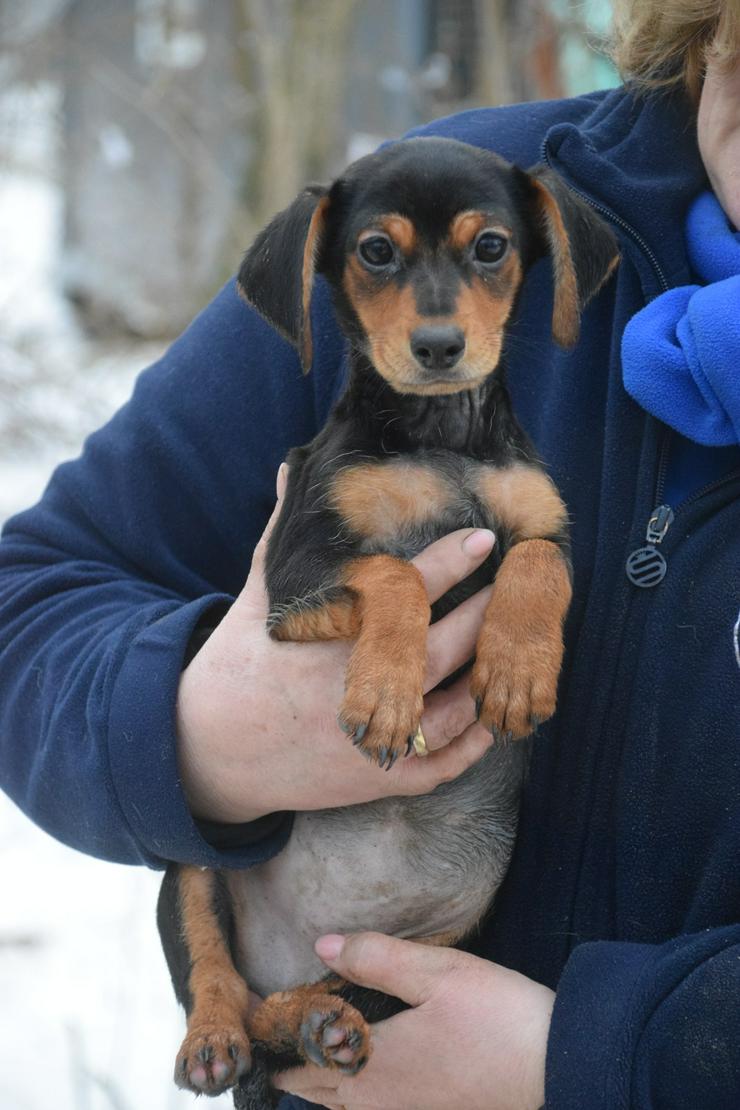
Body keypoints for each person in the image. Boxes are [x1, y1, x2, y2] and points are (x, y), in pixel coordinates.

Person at [1, 1, 739, 1106]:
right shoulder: (471, 185)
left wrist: (604, 1055)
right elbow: (33, 603)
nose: (435, 312)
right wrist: (193, 730)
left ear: (535, 266)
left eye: (487, 262)